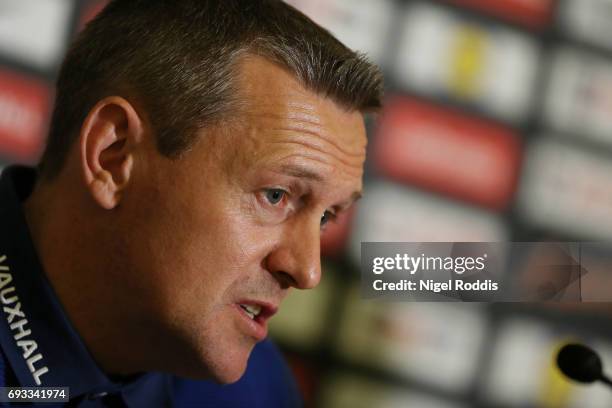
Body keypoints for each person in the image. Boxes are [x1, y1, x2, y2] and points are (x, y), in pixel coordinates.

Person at [0, 0, 383, 406]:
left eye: (326, 217)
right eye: (276, 196)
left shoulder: (256, 388)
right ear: (113, 156)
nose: (307, 271)